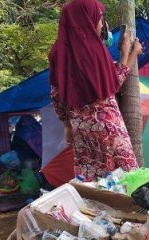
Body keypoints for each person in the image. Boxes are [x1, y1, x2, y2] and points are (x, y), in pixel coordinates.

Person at [49, 0, 142, 182]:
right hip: (108, 128)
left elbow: (56, 94)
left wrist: (67, 125)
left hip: (81, 131)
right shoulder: (94, 50)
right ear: (87, 19)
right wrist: (131, 53)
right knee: (126, 180)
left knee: (92, 183)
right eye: (99, 18)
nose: (101, 23)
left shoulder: (57, 52)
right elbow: (114, 84)